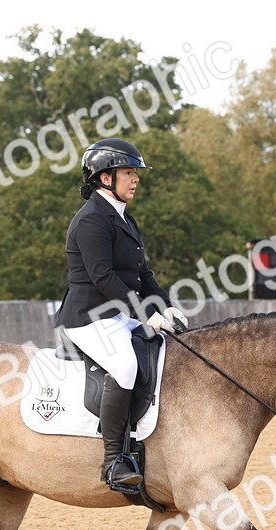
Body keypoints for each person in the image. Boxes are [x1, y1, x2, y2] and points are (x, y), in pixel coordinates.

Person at [54, 138, 189, 490]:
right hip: (88, 318)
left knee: (165, 348)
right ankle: (114, 460)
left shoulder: (124, 218)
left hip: (116, 315)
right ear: (105, 178)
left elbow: (144, 274)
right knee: (125, 365)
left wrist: (164, 306)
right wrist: (144, 312)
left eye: (135, 173)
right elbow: (103, 277)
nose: (136, 179)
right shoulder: (91, 220)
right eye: (129, 172)